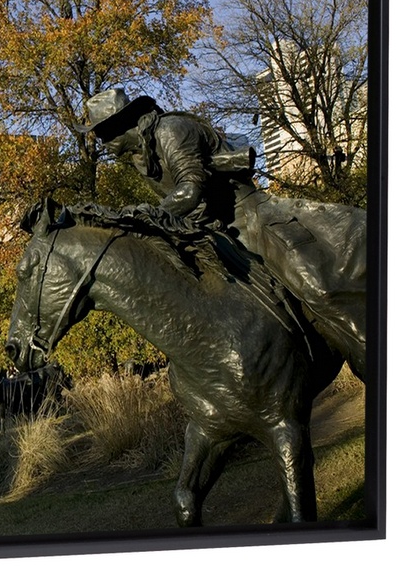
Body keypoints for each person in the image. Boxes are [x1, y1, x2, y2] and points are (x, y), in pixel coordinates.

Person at [77, 88, 367, 380]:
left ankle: (368, 351)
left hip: (247, 214)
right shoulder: (141, 155)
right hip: (210, 228)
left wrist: (143, 217)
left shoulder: (170, 130)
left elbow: (190, 190)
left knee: (313, 284)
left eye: (102, 133)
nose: (101, 142)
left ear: (121, 125)